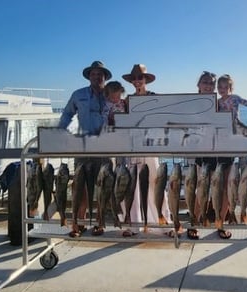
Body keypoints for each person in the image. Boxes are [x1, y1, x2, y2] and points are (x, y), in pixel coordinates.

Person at [58, 60, 113, 237]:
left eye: (100, 74)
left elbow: (124, 116)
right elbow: (67, 114)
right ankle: (77, 222)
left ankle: (100, 222)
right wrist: (59, 133)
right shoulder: (78, 94)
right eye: (94, 74)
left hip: (106, 148)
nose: (97, 77)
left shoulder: (113, 95)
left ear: (105, 77)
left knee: (103, 188)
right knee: (80, 188)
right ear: (89, 76)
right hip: (82, 147)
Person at [121, 64, 170, 231]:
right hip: (133, 146)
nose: (137, 81)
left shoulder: (155, 97)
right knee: (132, 187)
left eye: (140, 77)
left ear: (145, 79)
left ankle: (164, 222)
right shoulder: (127, 100)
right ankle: (133, 225)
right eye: (134, 78)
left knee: (157, 183)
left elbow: (165, 114)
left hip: (151, 146)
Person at [191, 71, 233, 240]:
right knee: (201, 188)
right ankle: (195, 222)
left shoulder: (222, 103)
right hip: (203, 152)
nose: (208, 85)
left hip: (224, 150)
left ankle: (220, 223)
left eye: (211, 83)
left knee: (224, 190)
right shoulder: (192, 104)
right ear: (199, 85)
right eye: (205, 82)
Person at [217, 74, 247, 168]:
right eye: (220, 87)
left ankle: (244, 171)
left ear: (230, 88)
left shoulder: (235, 98)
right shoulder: (217, 102)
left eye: (226, 87)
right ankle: (232, 169)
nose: (223, 89)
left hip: (237, 126)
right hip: (225, 130)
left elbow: (246, 103)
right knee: (230, 154)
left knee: (242, 150)